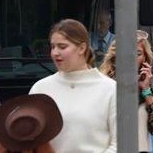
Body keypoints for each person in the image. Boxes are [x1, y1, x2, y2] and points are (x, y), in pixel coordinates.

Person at [30, 19, 116, 153]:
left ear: (82, 48)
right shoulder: (40, 89)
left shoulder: (110, 89)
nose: (55, 53)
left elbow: (120, 144)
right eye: (52, 47)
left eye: (62, 47)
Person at [99, 31, 153, 153]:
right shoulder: (105, 84)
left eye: (138, 53)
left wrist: (146, 90)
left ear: (144, 58)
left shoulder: (146, 87)